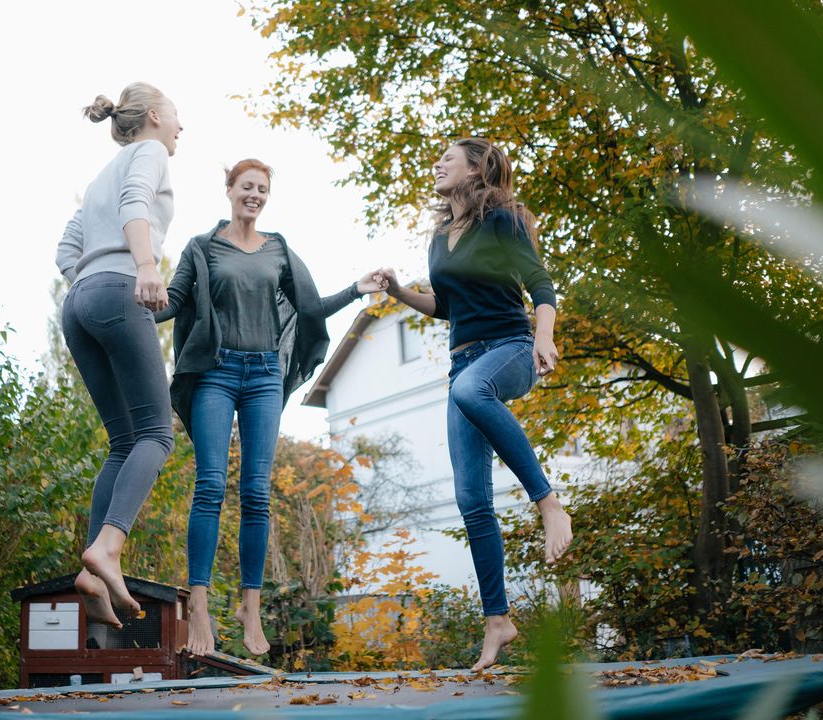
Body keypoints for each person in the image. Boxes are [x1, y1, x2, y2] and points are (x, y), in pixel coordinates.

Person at [155, 159, 386, 656]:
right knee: (211, 484)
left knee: (256, 491)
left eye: (262, 189)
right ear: (230, 190)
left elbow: (308, 309)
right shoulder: (202, 248)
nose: (255, 195)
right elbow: (173, 302)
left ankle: (250, 607)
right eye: (247, 187)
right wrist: (136, 296)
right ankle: (198, 604)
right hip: (216, 372)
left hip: (263, 376)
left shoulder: (278, 248)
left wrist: (355, 289)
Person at [379, 137, 573, 672]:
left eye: (449, 157)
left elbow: (539, 282)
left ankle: (548, 504)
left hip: (509, 349)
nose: (437, 162)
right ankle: (497, 621)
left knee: (471, 393)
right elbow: (444, 306)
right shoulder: (440, 237)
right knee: (470, 499)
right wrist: (398, 290)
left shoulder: (503, 219)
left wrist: (544, 336)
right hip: (463, 362)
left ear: (477, 168)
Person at [55, 82, 182, 628]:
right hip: (118, 288)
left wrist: (90, 284)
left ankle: (91, 566)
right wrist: (145, 266)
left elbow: (66, 251)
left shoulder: (95, 179)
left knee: (124, 441)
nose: (181, 128)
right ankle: (108, 548)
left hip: (78, 302)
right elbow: (136, 205)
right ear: (154, 116)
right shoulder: (149, 152)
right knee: (158, 435)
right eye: (178, 116)